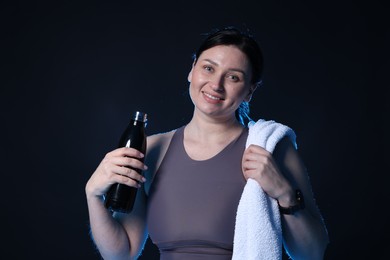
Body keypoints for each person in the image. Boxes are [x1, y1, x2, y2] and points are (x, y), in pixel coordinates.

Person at [85, 26, 329, 259]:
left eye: (233, 77)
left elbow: (312, 253)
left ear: (250, 91)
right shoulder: (151, 150)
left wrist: (285, 194)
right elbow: (122, 252)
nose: (216, 85)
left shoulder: (271, 149)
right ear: (192, 70)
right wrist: (93, 196)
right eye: (208, 68)